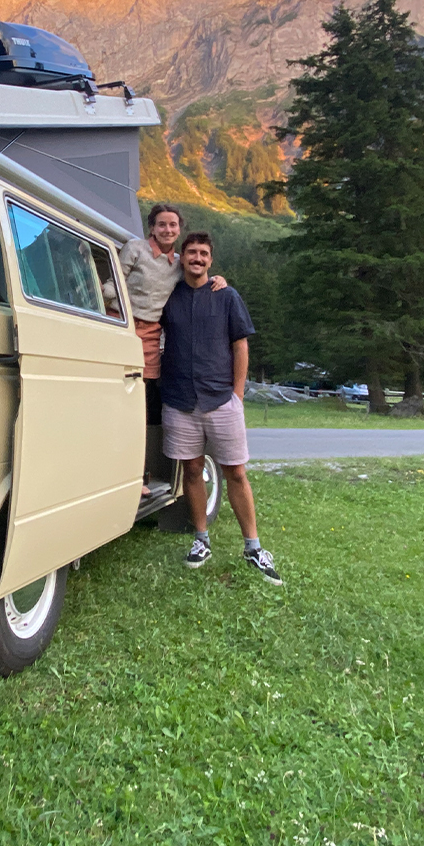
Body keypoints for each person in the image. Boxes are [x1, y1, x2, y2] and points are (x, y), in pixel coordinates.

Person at [159, 231, 282, 584]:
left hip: (220, 398)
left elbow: (240, 346)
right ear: (182, 258)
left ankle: (254, 547)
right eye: (191, 253)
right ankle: (201, 540)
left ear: (210, 260)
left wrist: (237, 396)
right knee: (193, 471)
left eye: (203, 254)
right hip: (180, 400)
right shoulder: (169, 297)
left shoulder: (226, 295)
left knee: (236, 473)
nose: (197, 258)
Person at [109, 205, 226, 497]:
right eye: (161, 225)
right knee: (111, 399)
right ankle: (110, 471)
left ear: (179, 229)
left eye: (173, 225)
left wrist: (218, 281)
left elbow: (197, 274)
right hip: (120, 324)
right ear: (152, 228)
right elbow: (115, 282)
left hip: (150, 336)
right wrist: (102, 295)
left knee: (142, 407)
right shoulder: (135, 249)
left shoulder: (177, 263)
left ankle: (138, 475)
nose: (167, 230)